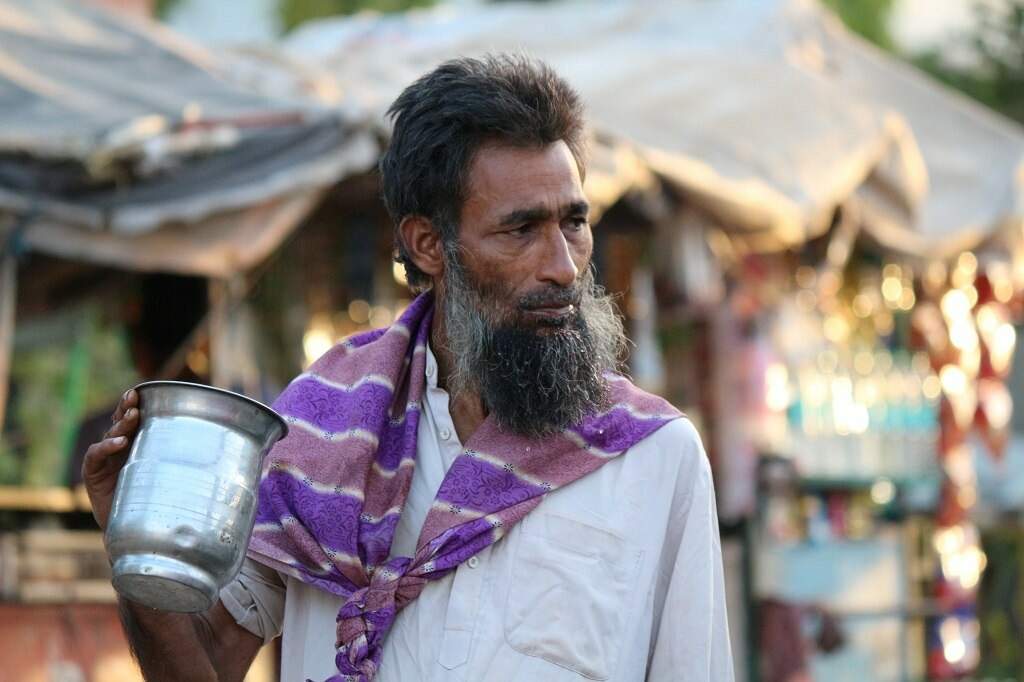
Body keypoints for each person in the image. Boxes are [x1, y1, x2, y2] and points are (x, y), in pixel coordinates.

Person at [84, 54, 734, 682]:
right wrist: (138, 547)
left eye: (574, 222)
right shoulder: (318, 431)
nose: (564, 266)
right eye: (521, 229)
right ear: (430, 245)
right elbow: (205, 672)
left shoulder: (653, 459)